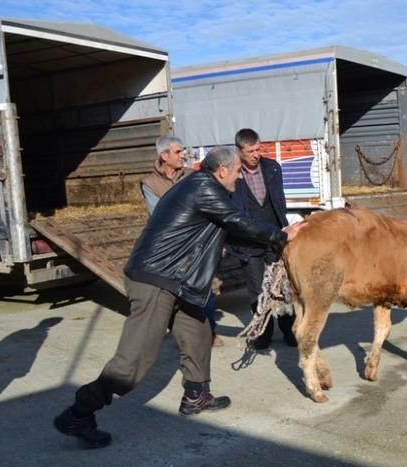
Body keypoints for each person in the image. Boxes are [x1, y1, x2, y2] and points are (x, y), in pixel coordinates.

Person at [54, 146, 302, 449]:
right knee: (135, 359)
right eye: (237, 171)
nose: (239, 178)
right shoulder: (203, 187)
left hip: (180, 282)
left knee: (198, 333)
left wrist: (274, 240)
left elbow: (232, 232)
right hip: (157, 280)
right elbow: (238, 221)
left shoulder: (205, 190)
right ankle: (78, 413)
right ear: (222, 170)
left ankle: (196, 396)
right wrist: (282, 235)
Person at [140, 136, 222, 348]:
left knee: (204, 288)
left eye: (183, 151)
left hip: (196, 243)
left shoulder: (193, 176)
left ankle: (210, 331)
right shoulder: (150, 183)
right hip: (169, 248)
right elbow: (158, 214)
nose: (184, 155)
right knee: (172, 293)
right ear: (164, 156)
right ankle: (182, 334)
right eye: (178, 152)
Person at [228, 128, 296, 350]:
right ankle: (263, 333)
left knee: (282, 287)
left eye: (258, 149)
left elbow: (279, 201)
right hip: (248, 243)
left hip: (274, 238)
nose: (256, 154)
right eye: (250, 151)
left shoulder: (272, 168)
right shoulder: (232, 173)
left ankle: (289, 331)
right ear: (239, 151)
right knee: (257, 290)